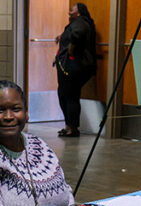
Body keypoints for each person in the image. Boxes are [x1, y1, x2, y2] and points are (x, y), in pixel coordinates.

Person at [55, 3, 97, 138]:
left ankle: (72, 128)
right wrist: (63, 36)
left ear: (79, 13)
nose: (69, 11)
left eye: (72, 9)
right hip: (72, 65)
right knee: (64, 94)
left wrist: (70, 50)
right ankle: (69, 126)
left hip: (73, 66)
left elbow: (77, 35)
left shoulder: (80, 22)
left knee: (70, 95)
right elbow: (73, 34)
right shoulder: (79, 22)